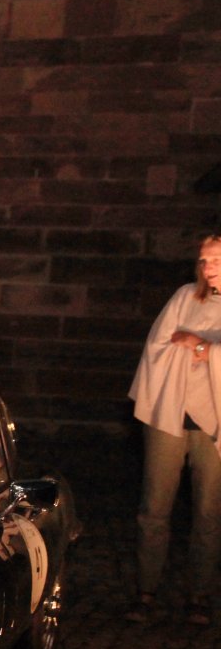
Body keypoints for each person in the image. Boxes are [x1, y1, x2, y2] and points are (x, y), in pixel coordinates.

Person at [126, 232, 221, 625]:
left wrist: (201, 347)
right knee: (154, 507)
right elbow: (158, 346)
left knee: (209, 512)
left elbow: (195, 346)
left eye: (216, 259)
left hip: (214, 424)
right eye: (204, 260)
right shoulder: (185, 297)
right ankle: (146, 590)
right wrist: (203, 348)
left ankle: (199, 594)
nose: (208, 267)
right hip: (171, 414)